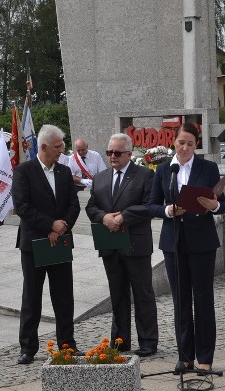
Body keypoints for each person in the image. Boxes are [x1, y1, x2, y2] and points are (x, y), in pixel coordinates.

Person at [148, 123, 225, 373]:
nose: (185, 147)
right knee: (180, 300)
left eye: (190, 144)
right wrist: (168, 210)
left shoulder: (208, 168)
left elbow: (223, 205)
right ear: (174, 142)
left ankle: (205, 358)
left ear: (196, 145)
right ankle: (184, 357)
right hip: (174, 242)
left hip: (202, 242)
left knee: (203, 299)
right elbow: (151, 205)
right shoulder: (163, 170)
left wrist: (213, 205)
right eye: (181, 142)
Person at [85, 132, 158, 357]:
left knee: (142, 294)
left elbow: (150, 206)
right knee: (117, 294)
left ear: (128, 153)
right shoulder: (101, 177)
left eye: (117, 153)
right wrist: (104, 218)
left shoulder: (144, 175)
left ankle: (147, 342)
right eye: (109, 152)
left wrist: (123, 216)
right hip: (110, 245)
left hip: (135, 245)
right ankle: (120, 340)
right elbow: (91, 207)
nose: (112, 157)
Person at [13, 124, 80, 365]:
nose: (62, 149)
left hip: (60, 241)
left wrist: (62, 226)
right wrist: (49, 225)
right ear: (43, 147)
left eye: (62, 144)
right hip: (34, 243)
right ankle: (28, 347)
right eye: (58, 146)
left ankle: (67, 345)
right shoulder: (24, 171)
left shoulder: (64, 171)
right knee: (32, 296)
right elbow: (22, 206)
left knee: (64, 295)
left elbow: (74, 204)